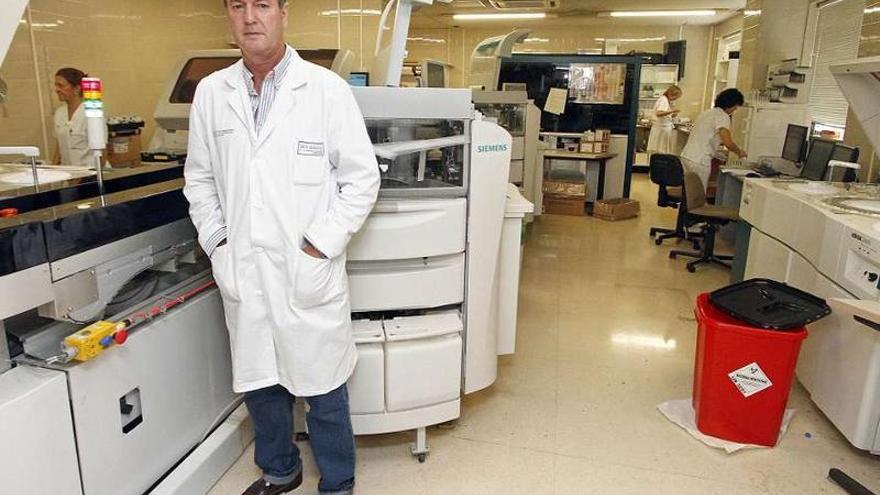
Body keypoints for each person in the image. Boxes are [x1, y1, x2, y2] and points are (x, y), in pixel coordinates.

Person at [183, 0, 380, 494]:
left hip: (304, 268)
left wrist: (319, 245)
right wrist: (219, 243)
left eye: (263, 5)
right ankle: (280, 470)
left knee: (324, 389)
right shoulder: (212, 92)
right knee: (260, 384)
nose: (251, 17)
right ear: (229, 14)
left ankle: (338, 481)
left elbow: (361, 180)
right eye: (239, 6)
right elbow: (200, 180)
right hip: (244, 265)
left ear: (283, 13)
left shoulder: (325, 90)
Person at [680, 88, 748, 189]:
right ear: (731, 103)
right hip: (700, 160)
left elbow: (708, 136)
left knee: (688, 192)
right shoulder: (723, 116)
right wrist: (739, 152)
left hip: (687, 156)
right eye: (735, 107)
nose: (735, 110)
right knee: (698, 195)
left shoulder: (707, 113)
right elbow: (728, 143)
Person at [52, 67, 92, 166]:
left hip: (91, 174)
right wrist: (52, 170)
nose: (56, 90)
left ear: (77, 89)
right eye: (56, 85)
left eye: (61, 86)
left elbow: (102, 153)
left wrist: (82, 179)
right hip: (70, 173)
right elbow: (59, 146)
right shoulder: (59, 113)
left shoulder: (91, 113)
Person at [646, 85, 682, 155]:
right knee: (660, 152)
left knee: (660, 152)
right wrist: (672, 111)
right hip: (661, 129)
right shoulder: (664, 100)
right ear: (671, 94)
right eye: (676, 97)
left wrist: (672, 115)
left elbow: (664, 115)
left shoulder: (665, 100)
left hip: (662, 129)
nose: (675, 99)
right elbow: (659, 113)